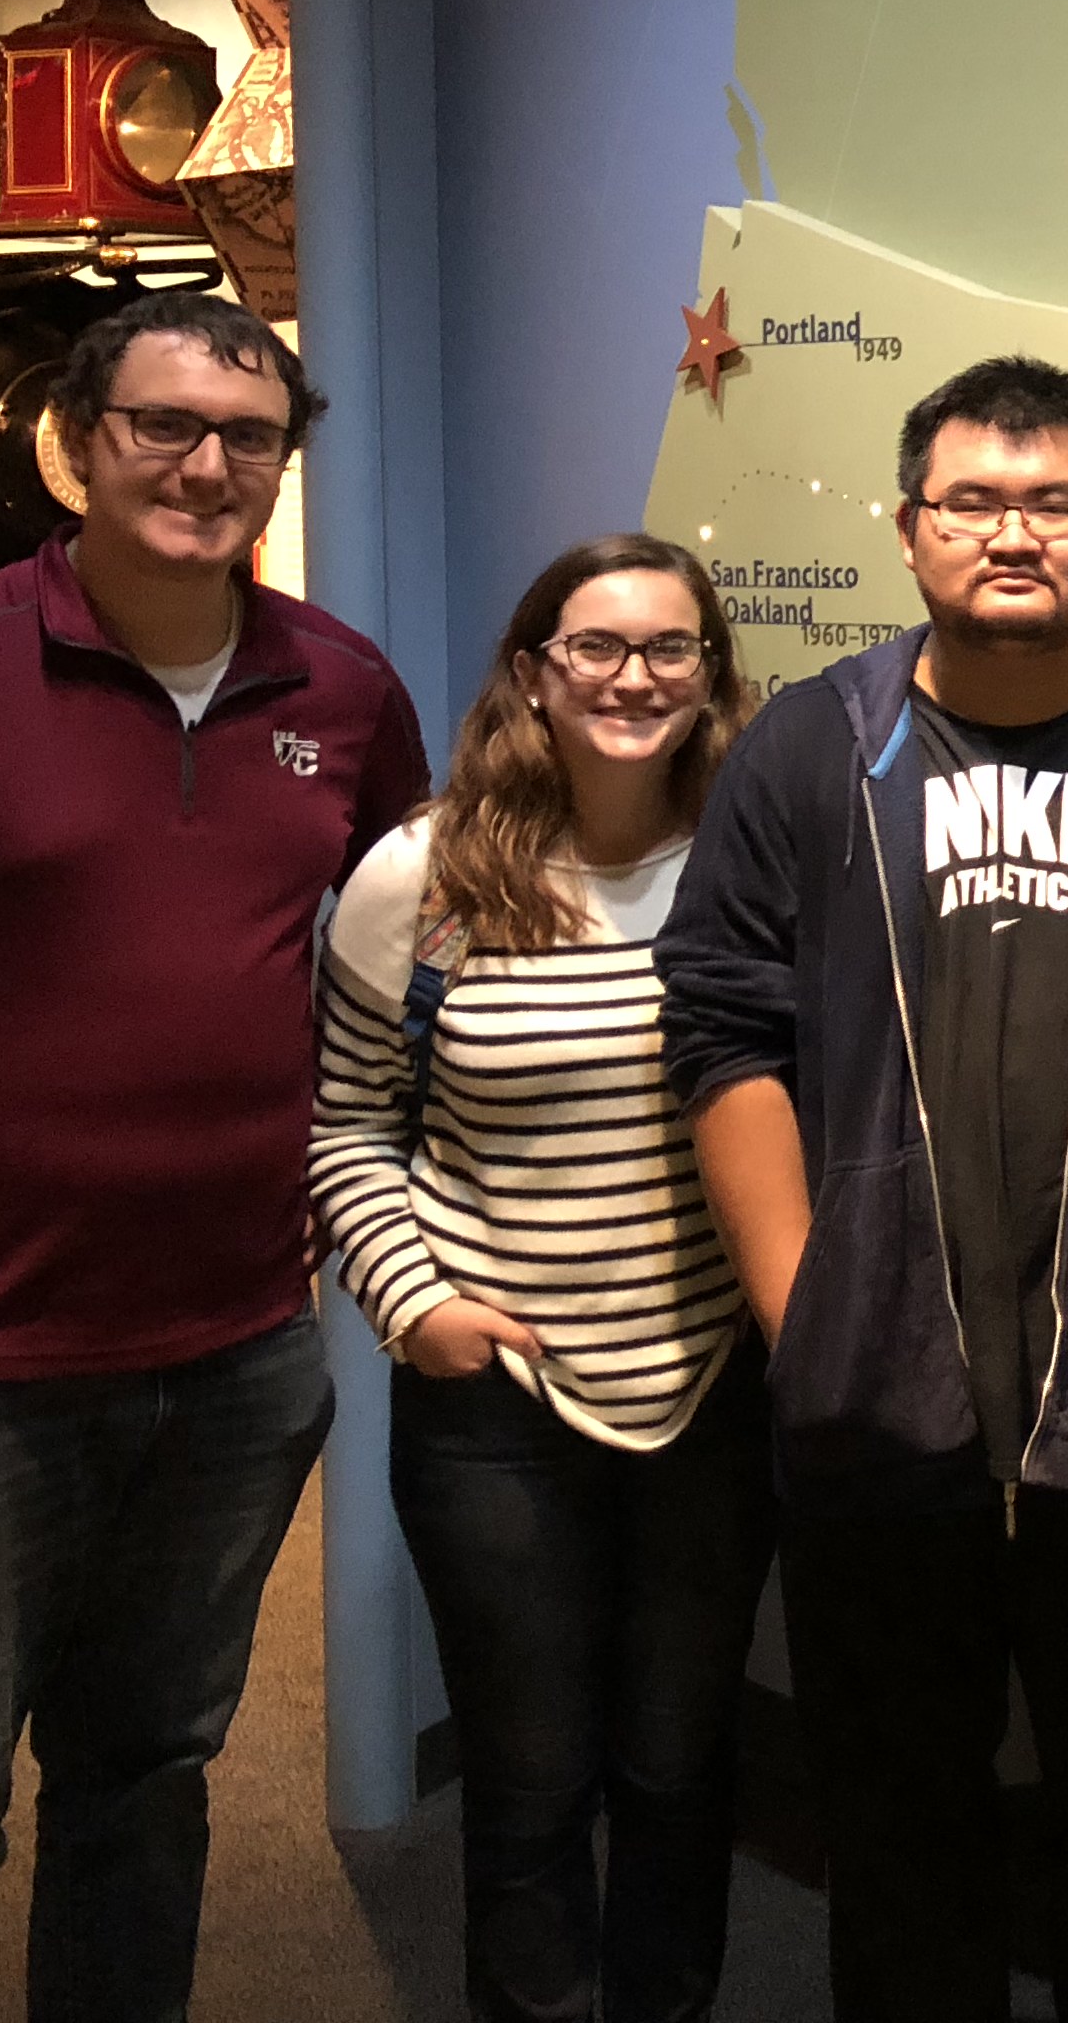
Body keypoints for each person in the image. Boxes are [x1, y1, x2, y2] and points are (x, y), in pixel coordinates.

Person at [0, 288, 428, 2023]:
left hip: (230, 1367)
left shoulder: (344, 694)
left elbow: (385, 957)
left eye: (250, 437)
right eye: (164, 427)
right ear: (77, 441)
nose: (208, 466)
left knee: (145, 1791)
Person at [660, 355, 1068, 2023]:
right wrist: (807, 1317)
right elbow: (723, 1030)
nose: (1016, 533)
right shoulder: (816, 741)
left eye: (1056, 501)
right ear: (912, 526)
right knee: (902, 1850)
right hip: (874, 1431)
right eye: (975, 502)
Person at [311, 534, 774, 2023]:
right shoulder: (425, 877)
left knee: (680, 1767)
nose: (635, 677)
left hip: (714, 1392)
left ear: (712, 676)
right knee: (525, 1780)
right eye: (598, 646)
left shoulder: (758, 864)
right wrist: (418, 1307)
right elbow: (346, 1124)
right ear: (535, 670)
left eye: (669, 648)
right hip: (498, 1407)